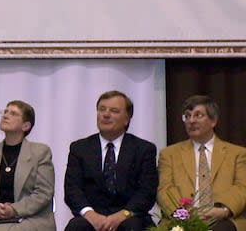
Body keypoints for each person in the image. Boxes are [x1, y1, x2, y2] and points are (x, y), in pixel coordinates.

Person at [64, 90, 157, 231]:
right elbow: (72, 189)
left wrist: (122, 215)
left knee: (134, 226)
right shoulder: (79, 148)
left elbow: (147, 191)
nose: (106, 115)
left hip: (129, 216)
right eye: (102, 110)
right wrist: (90, 214)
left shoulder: (143, 149)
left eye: (114, 111)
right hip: (92, 216)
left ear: (127, 119)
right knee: (76, 227)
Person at [156, 95, 246, 231]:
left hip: (223, 218)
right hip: (182, 218)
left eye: (198, 115)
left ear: (213, 121)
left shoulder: (237, 153)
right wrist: (184, 213)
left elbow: (242, 187)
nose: (191, 121)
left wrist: (223, 210)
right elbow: (164, 189)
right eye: (187, 116)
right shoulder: (169, 154)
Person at [0, 100, 56, 231]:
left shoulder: (40, 152)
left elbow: (43, 193)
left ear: (26, 126)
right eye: (5, 111)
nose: (5, 115)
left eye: (13, 113)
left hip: (30, 219)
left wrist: (14, 210)